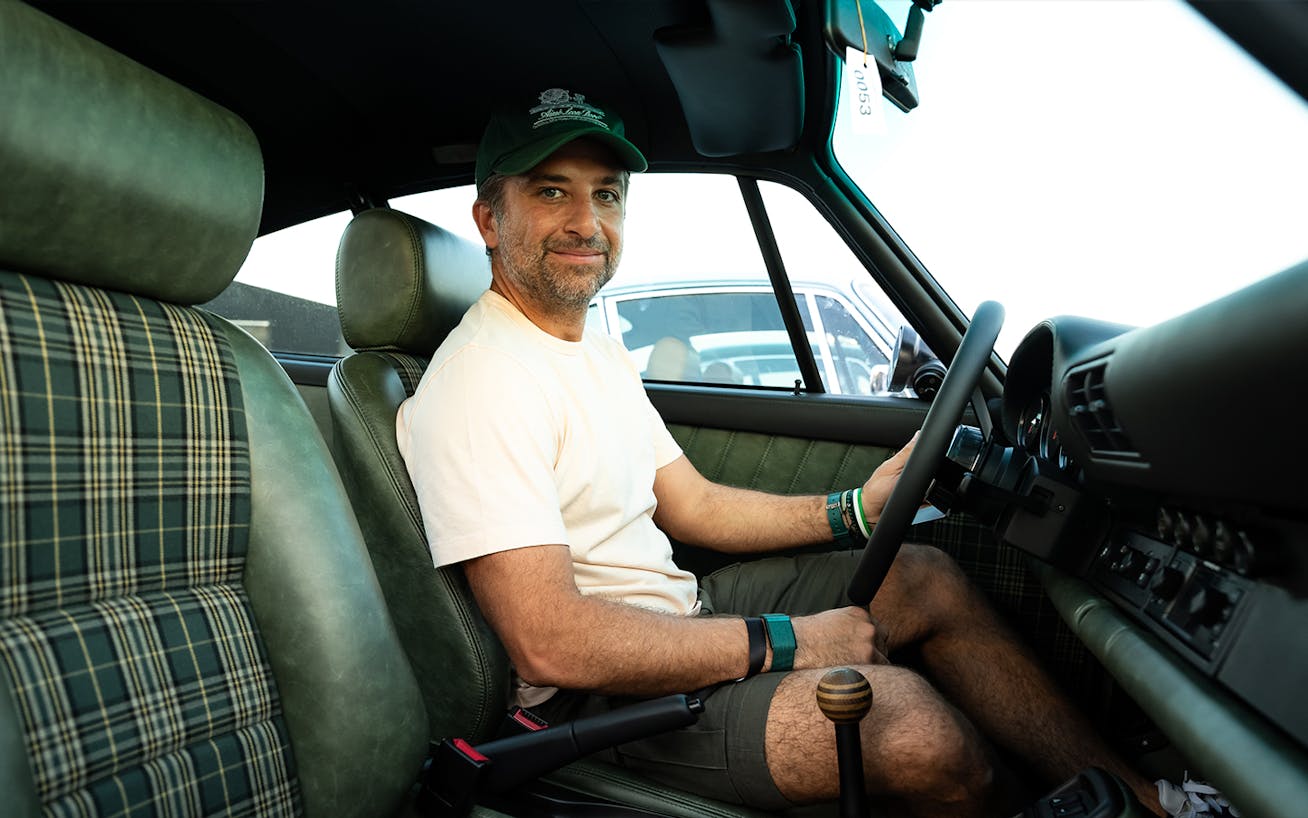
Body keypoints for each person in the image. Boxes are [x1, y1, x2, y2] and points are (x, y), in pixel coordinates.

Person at [397, 88, 1162, 818]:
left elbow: (693, 504)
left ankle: (1148, 801)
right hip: (601, 699)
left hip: (678, 615)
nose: (587, 222)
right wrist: (789, 641)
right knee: (910, 728)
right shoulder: (480, 383)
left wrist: (854, 508)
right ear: (490, 220)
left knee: (921, 576)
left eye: (607, 193)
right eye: (552, 192)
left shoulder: (588, 348)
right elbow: (552, 640)